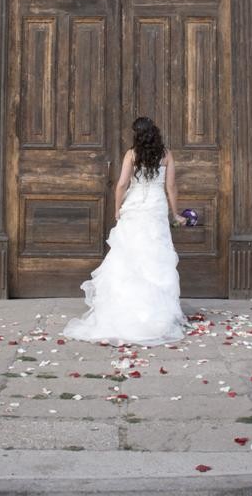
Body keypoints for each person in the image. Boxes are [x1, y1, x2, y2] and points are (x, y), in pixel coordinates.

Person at [62, 116, 190, 347]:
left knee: (128, 254)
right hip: (156, 208)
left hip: (135, 208)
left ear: (136, 134)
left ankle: (124, 309)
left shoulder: (132, 154)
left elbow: (122, 184)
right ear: (154, 132)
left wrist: (117, 209)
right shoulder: (166, 154)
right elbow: (171, 186)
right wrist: (175, 213)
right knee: (155, 256)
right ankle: (156, 314)